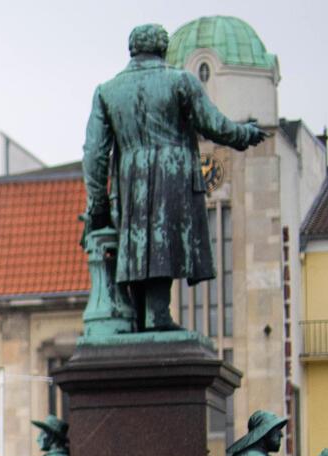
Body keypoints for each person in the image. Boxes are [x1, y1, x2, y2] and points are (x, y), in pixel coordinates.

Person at [82, 23, 265, 332]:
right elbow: (214, 124)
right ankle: (158, 316)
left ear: (132, 50)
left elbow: (94, 155)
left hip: (131, 174)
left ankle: (145, 317)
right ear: (163, 49)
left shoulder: (107, 91)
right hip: (173, 169)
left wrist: (98, 203)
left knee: (139, 240)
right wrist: (245, 133)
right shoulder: (180, 81)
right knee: (162, 238)